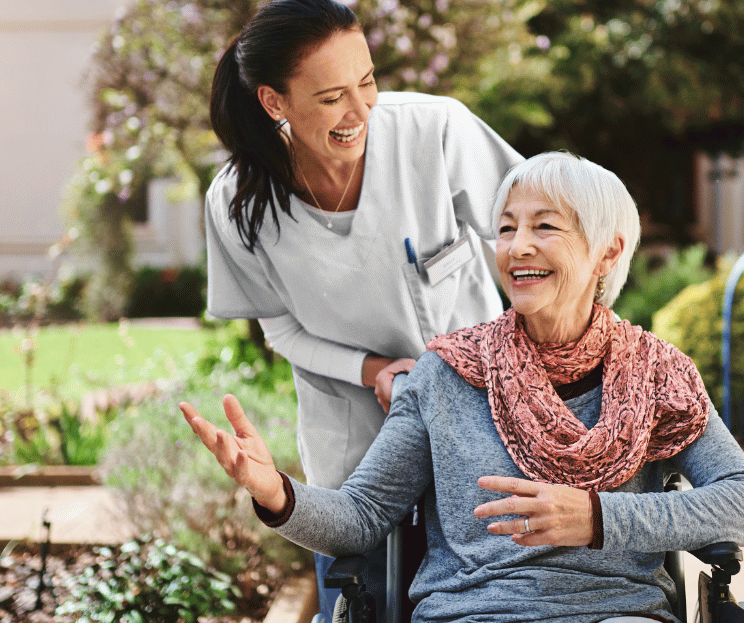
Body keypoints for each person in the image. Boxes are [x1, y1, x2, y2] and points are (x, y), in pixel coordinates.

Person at [183, 152, 744, 623]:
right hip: (472, 614)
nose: (517, 247)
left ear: (607, 252)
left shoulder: (658, 375)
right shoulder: (447, 374)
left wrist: (599, 517)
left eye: (545, 227)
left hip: (614, 614)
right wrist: (276, 492)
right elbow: (362, 518)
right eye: (506, 228)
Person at [206, 0, 522, 613]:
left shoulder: (436, 131)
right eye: (331, 97)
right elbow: (280, 329)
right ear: (275, 103)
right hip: (353, 456)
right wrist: (371, 370)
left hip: (481, 434)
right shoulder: (237, 203)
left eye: (368, 81)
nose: (360, 111)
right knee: (361, 605)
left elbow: (543, 235)